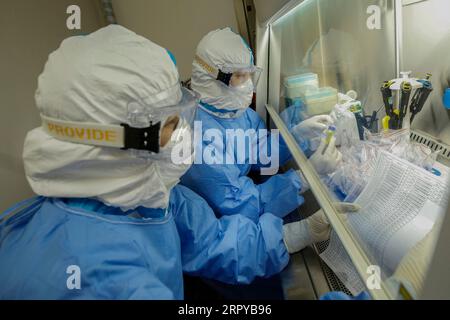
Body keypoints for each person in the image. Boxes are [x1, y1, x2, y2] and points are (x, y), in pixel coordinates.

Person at [0, 25, 334, 299]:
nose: (183, 135)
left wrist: (296, 233)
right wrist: (299, 182)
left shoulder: (150, 195)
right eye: (169, 125)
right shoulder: (100, 281)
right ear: (114, 142)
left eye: (180, 115)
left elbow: (212, 240)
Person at [180, 28, 342, 223]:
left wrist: (295, 136)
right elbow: (238, 204)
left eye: (250, 74)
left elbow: (259, 153)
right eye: (239, 76)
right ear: (212, 79)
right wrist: (304, 178)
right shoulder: (196, 139)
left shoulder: (236, 113)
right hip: (223, 225)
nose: (248, 85)